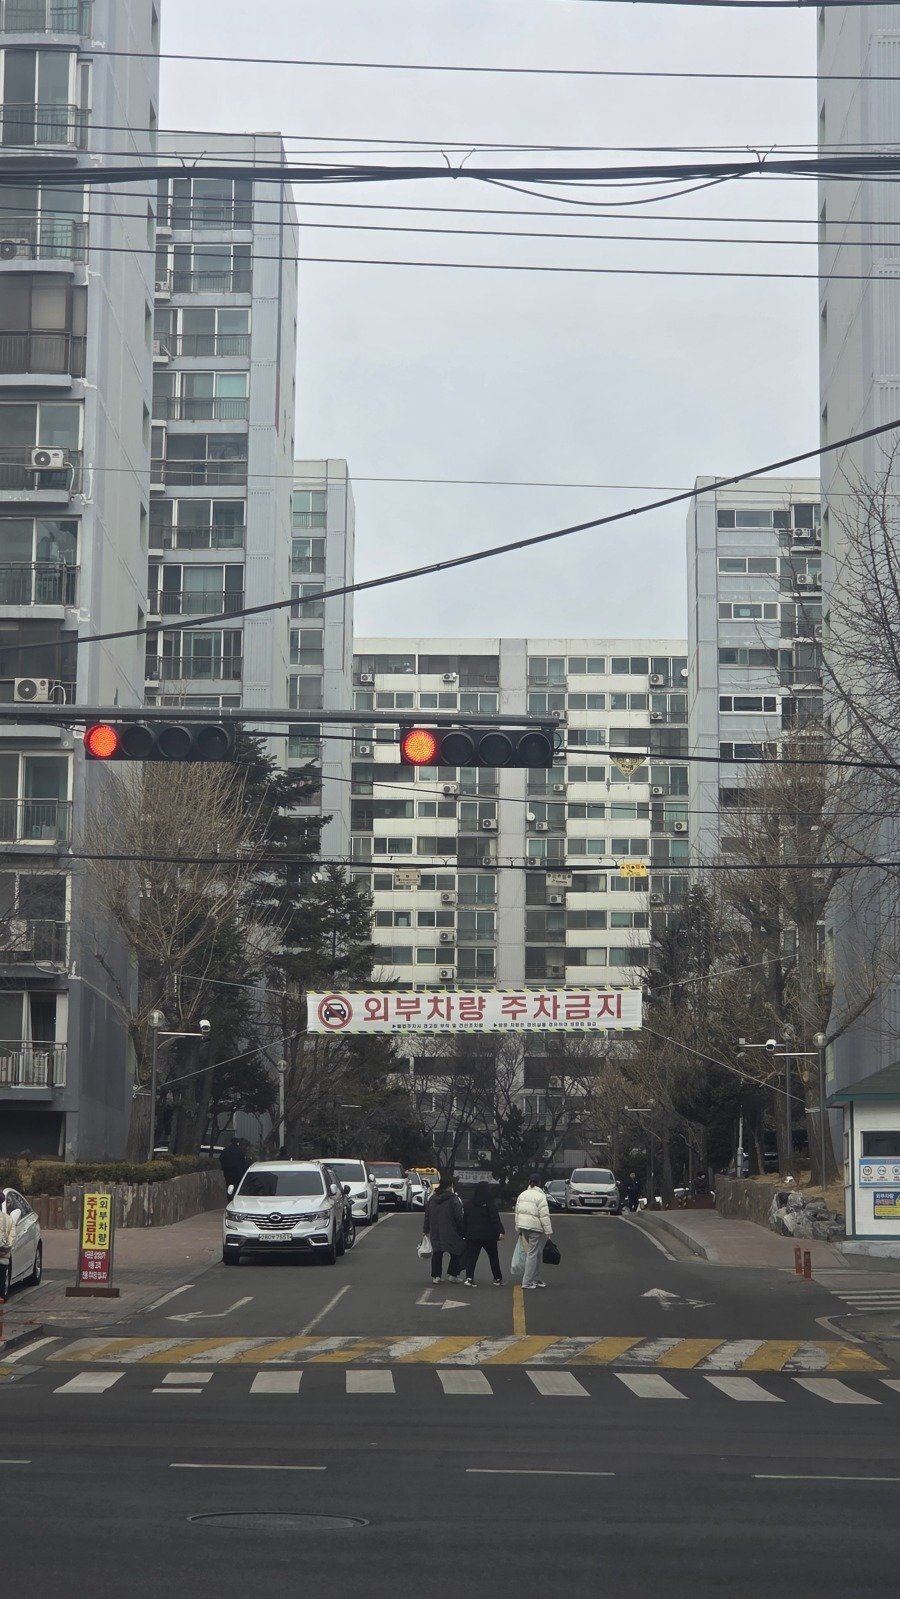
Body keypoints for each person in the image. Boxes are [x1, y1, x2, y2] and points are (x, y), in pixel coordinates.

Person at [423, 1172, 466, 1283]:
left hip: (435, 1231)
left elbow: (427, 1215)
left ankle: (436, 1277)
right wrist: (462, 1229)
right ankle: (453, 1274)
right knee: (456, 1251)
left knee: (437, 1253)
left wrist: (426, 1230)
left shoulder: (432, 1198)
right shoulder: (453, 1199)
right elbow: (458, 1216)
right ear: (449, 1186)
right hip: (451, 1230)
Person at [462, 1181, 506, 1286]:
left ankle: (469, 1278)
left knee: (472, 1258)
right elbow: (494, 1219)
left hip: (473, 1236)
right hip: (489, 1236)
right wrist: (500, 1231)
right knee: (493, 1257)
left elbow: (465, 1220)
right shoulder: (490, 1203)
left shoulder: (468, 1204)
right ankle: (497, 1278)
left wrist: (464, 1233)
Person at [514, 1173, 553, 1289]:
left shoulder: (522, 1195)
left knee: (535, 1253)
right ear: (539, 1183)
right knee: (532, 1254)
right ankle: (527, 1281)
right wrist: (548, 1231)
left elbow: (517, 1212)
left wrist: (518, 1228)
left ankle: (536, 1279)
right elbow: (544, 1215)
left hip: (523, 1227)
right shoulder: (541, 1196)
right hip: (535, 1228)